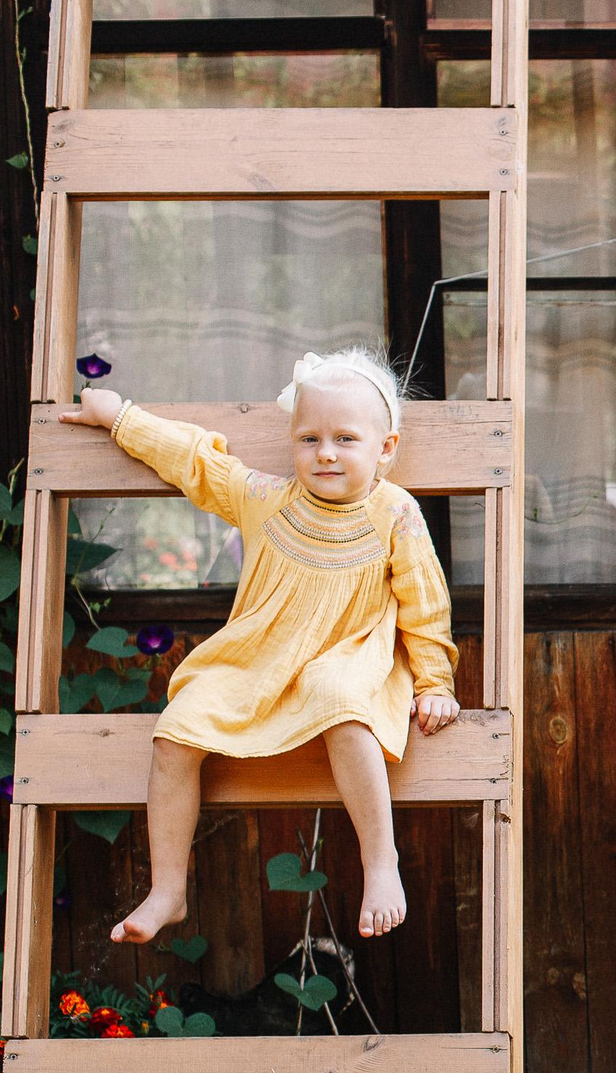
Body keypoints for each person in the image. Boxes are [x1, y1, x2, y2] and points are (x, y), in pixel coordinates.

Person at [59, 349, 458, 944]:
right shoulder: (267, 499)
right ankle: (168, 889)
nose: (325, 453)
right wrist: (118, 416)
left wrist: (435, 682)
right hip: (261, 662)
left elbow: (425, 605)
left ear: (386, 449)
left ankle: (381, 863)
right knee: (176, 729)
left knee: (342, 703)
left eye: (345, 439)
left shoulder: (394, 513)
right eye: (309, 438)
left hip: (351, 658)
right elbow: (195, 461)